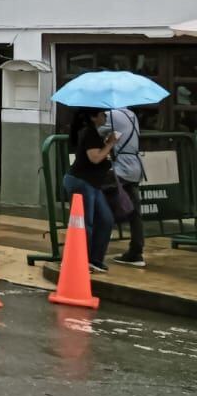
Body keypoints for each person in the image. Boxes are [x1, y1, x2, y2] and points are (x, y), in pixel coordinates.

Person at [62, 108, 117, 273]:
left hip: (92, 183)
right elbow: (95, 158)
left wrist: (107, 144)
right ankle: (81, 260)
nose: (105, 116)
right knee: (86, 223)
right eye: (102, 114)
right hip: (82, 182)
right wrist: (111, 143)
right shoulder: (89, 133)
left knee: (106, 219)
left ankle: (95, 259)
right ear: (94, 117)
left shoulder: (93, 133)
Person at [108, 107, 146, 268]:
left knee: (101, 202)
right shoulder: (132, 115)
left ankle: (93, 249)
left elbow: (96, 132)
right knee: (135, 212)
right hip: (135, 167)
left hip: (120, 168)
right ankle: (136, 252)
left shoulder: (111, 115)